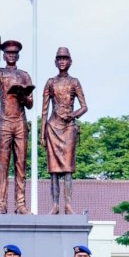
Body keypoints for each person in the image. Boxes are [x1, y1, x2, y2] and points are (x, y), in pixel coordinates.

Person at [40, 47, 88, 214]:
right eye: (59, 58)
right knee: (53, 171)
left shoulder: (74, 82)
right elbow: (44, 110)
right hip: (52, 127)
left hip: (68, 129)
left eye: (65, 58)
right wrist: (42, 134)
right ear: (55, 61)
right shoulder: (50, 82)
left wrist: (72, 115)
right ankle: (55, 205)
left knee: (67, 170)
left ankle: (68, 205)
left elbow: (84, 107)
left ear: (70, 62)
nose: (62, 61)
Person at [0, 37, 34, 214]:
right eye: (8, 53)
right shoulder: (0, 73)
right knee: (3, 165)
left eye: (14, 53)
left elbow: (30, 104)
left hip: (20, 122)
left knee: (21, 164)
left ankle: (20, 204)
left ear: (18, 56)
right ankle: (1, 204)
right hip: (4, 122)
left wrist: (22, 95)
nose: (11, 56)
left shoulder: (24, 75)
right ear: (4, 55)